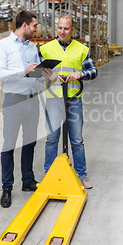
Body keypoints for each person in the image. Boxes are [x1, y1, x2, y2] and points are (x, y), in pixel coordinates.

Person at [0, 11, 51, 208]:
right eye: (34, 25)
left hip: (32, 100)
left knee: (29, 143)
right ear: (25, 25)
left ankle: (28, 181)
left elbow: (34, 74)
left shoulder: (33, 47)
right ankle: (7, 187)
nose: (36, 29)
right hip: (13, 101)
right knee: (9, 144)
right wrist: (24, 71)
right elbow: (1, 74)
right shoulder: (3, 45)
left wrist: (46, 74)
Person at [39, 15, 98, 189]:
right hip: (54, 99)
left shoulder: (81, 49)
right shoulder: (45, 48)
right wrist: (49, 75)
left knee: (77, 139)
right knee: (51, 138)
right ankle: (48, 174)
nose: (62, 31)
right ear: (56, 28)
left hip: (73, 99)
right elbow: (37, 73)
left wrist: (81, 74)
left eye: (66, 28)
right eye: (59, 28)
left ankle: (82, 174)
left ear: (72, 30)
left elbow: (93, 71)